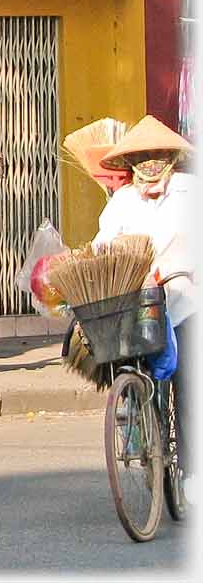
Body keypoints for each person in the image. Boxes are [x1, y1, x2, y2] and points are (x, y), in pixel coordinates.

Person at [94, 115, 194, 480]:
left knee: (187, 384)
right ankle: (139, 433)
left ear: (169, 158)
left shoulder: (189, 191)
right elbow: (101, 245)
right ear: (131, 164)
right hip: (137, 303)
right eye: (143, 158)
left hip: (185, 300)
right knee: (131, 367)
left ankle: (191, 471)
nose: (151, 165)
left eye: (157, 156)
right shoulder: (121, 202)